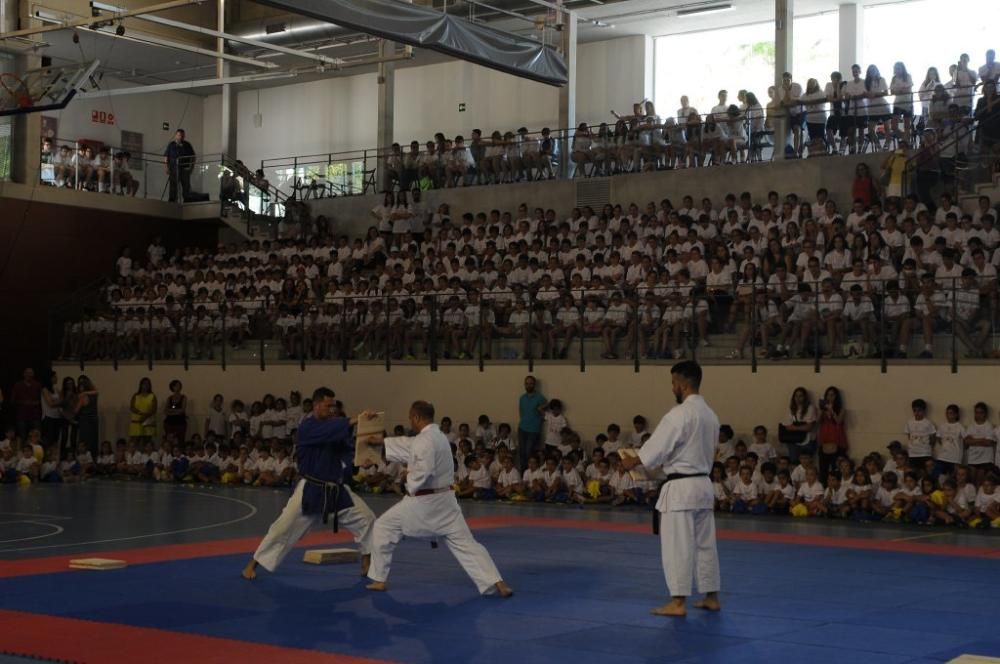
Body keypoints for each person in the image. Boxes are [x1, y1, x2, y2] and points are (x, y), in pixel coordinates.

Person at [365, 400, 513, 597]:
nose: (410, 421)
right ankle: (498, 582)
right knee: (467, 544)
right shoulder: (439, 437)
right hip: (446, 504)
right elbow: (408, 444)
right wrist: (383, 442)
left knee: (383, 526)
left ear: (416, 417)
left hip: (423, 504)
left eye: (410, 417)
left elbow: (422, 471)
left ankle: (379, 580)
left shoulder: (424, 441)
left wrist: (406, 478)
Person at [618, 361, 721, 617]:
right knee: (706, 544)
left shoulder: (679, 414)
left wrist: (633, 460)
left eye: (673, 383)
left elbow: (657, 449)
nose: (672, 388)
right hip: (704, 485)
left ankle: (677, 603)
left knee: (678, 545)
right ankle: (711, 597)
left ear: (682, 384)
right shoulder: (711, 415)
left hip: (681, 488)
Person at [242, 387, 375, 580]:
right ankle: (252, 564)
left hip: (336, 491)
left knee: (367, 518)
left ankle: (366, 560)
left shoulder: (335, 428)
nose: (332, 410)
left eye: (333, 406)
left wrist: (360, 461)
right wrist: (356, 419)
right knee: (282, 528)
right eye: (328, 406)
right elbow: (328, 431)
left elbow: (345, 452)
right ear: (316, 404)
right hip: (311, 490)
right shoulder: (307, 427)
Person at [516, 375, 547, 470]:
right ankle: (523, 474)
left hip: (533, 430)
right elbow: (521, 412)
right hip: (522, 428)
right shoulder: (522, 398)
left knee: (529, 453)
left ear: (534, 385)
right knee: (522, 453)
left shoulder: (540, 398)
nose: (529, 385)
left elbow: (545, 414)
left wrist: (537, 422)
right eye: (527, 383)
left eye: (531, 383)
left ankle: (531, 473)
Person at [164, 129, 195, 203]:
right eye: (179, 135)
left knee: (186, 187)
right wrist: (166, 167)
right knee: (173, 187)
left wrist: (191, 167)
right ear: (176, 135)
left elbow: (193, 156)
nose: (181, 137)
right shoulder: (171, 145)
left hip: (184, 169)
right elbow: (166, 156)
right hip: (174, 169)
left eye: (182, 135)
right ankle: (172, 202)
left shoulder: (187, 145)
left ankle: (187, 202)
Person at [11, 368, 42, 440]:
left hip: (35, 415)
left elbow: (42, 399)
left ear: (33, 374)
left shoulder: (37, 385)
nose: (29, 375)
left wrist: (36, 402)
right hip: (22, 415)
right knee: (23, 437)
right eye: (27, 373)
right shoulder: (18, 385)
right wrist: (23, 402)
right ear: (24, 374)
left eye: (31, 373)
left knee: (36, 436)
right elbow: (12, 400)